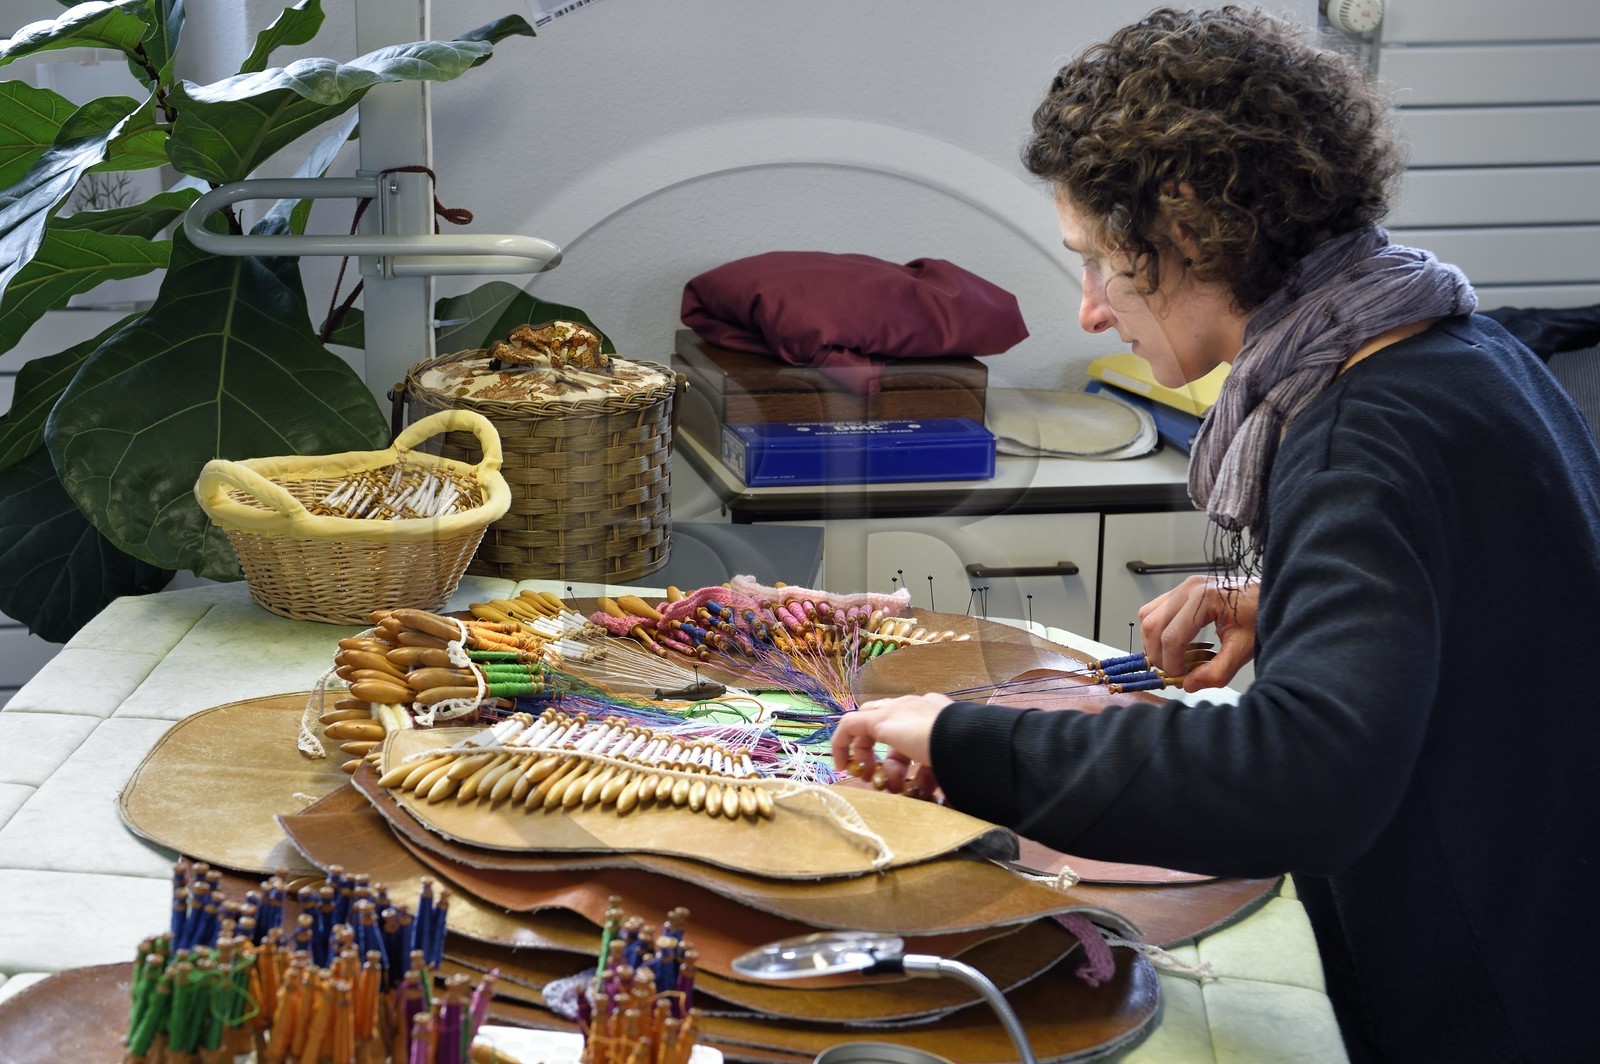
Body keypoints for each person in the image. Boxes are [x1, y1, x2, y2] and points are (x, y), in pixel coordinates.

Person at [831, 7, 1600, 1062]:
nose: (1091, 309)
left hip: (1489, 1009)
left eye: (1099, 259)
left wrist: (962, 741)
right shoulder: (1463, 350)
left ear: (1185, 224)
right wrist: (1291, 604)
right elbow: (1513, 615)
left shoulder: (1356, 429)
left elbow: (1304, 774)